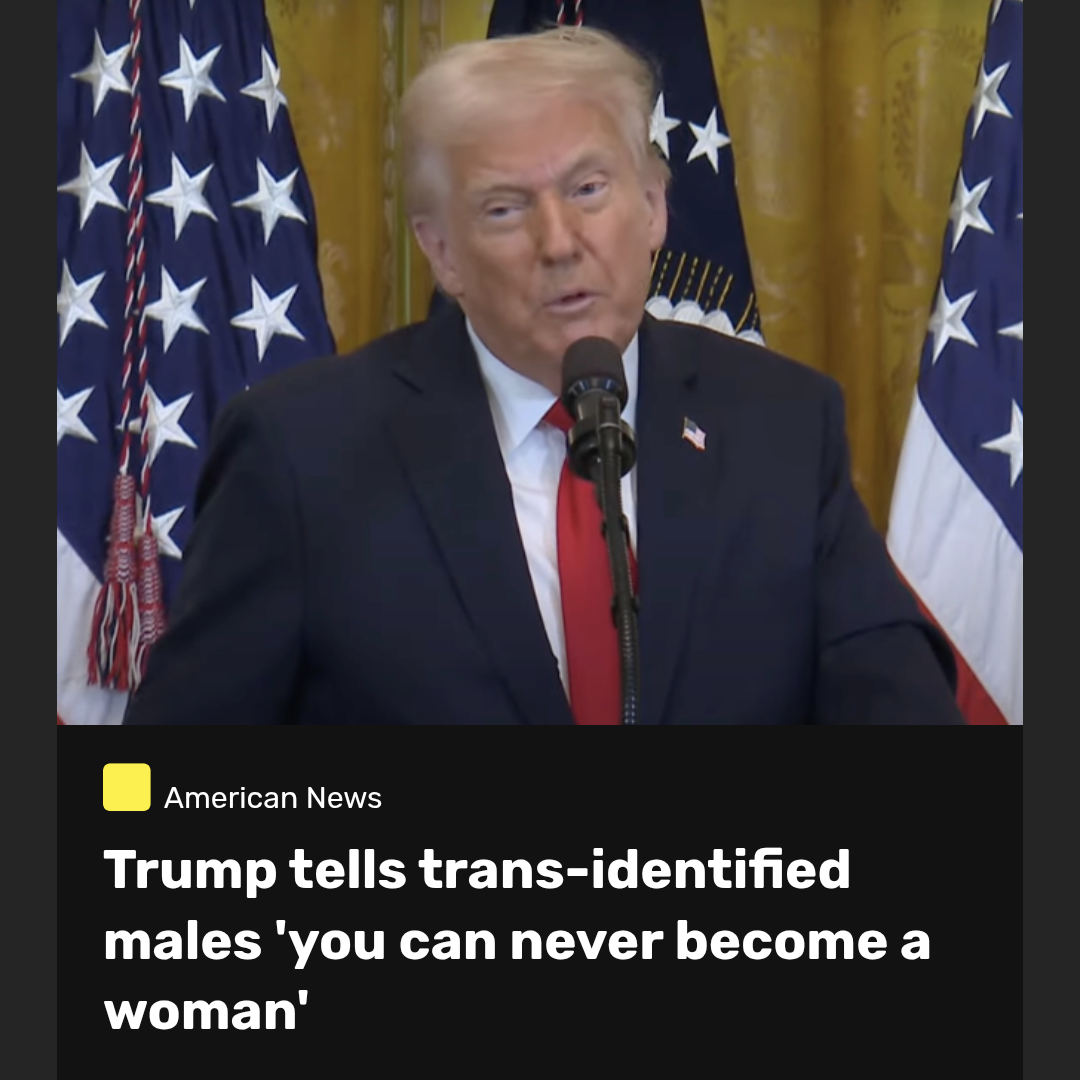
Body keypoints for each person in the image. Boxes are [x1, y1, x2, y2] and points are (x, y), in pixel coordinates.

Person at [124, 27, 962, 726]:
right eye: (504, 208)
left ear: (654, 208)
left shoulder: (781, 423)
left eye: (589, 189)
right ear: (442, 252)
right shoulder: (302, 451)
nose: (559, 243)